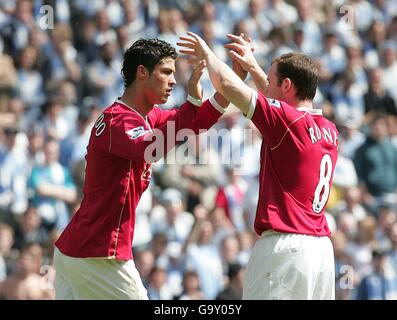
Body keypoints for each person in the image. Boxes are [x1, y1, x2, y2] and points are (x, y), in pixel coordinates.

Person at [53, 38, 230, 300]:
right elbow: (150, 148)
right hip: (100, 255)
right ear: (142, 72)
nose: (172, 80)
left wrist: (235, 78)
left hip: (78, 251)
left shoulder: (147, 117)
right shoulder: (117, 120)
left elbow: (194, 121)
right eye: (166, 72)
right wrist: (191, 101)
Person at [178, 31, 338, 299]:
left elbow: (229, 86)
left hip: (284, 247)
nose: (266, 84)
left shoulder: (287, 122)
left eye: (271, 78)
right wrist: (252, 65)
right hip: (321, 252)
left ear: (286, 85)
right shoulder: (329, 129)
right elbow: (275, 99)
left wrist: (208, 54)